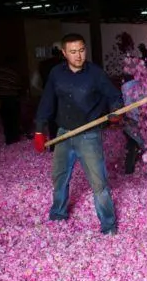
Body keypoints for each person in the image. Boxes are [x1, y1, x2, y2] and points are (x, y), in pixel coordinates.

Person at [34, 33, 120, 234]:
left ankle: (108, 225)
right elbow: (47, 101)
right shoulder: (56, 74)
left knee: (99, 183)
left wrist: (115, 111)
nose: (78, 56)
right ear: (64, 53)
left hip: (89, 135)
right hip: (63, 134)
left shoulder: (96, 73)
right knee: (59, 177)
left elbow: (114, 95)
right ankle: (58, 214)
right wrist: (40, 129)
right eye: (73, 52)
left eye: (81, 50)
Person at [0, 58, 22, 145]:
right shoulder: (12, 72)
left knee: (6, 119)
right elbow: (18, 86)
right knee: (14, 118)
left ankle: (9, 139)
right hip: (11, 97)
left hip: (0, 98)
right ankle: (15, 138)